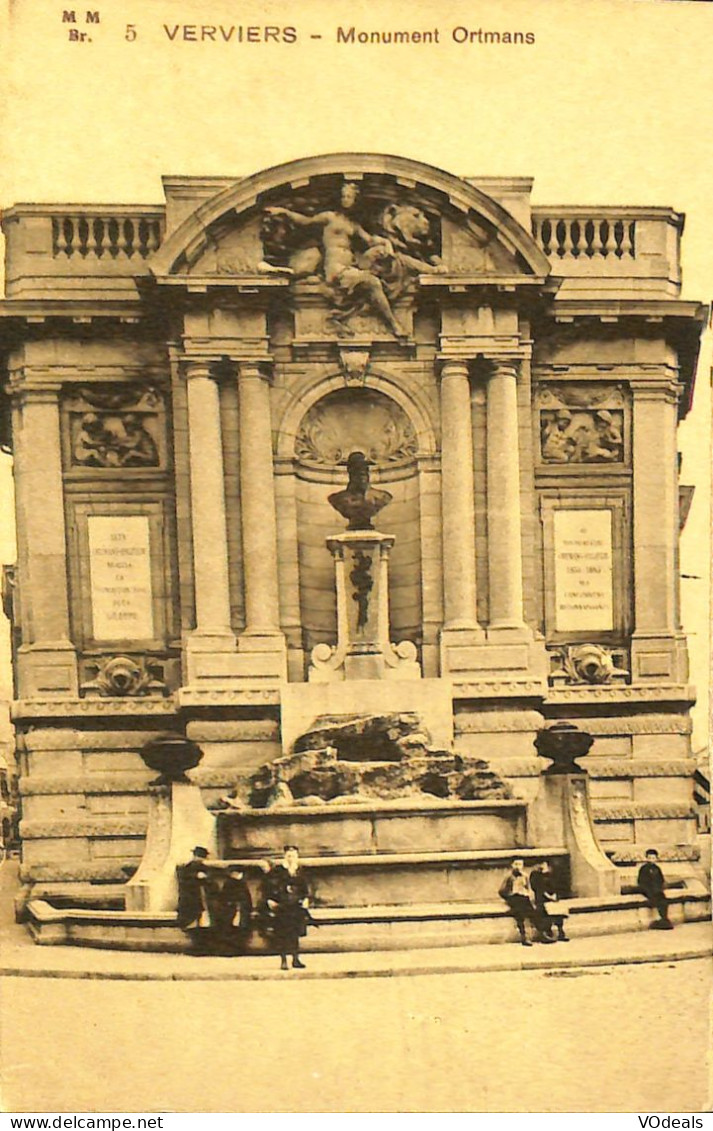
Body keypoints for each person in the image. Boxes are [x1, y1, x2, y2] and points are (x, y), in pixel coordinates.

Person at [264, 182, 409, 337]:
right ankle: (394, 324)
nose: (346, 199)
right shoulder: (329, 217)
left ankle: (339, 319)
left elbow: (371, 240)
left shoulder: (353, 226)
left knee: (375, 276)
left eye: (350, 197)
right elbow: (305, 221)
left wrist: (386, 243)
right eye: (344, 196)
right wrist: (284, 211)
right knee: (373, 282)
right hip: (336, 268)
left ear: (356, 200)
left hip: (349, 268)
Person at [262, 845, 312, 969]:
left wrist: (306, 899)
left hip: (296, 907)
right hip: (282, 907)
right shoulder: (278, 871)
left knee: (295, 934)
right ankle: (283, 960)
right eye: (289, 856)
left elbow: (305, 888)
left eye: (294, 856)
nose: (291, 858)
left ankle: (296, 959)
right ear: (284, 856)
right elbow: (268, 886)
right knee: (282, 934)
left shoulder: (299, 871)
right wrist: (270, 900)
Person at [498, 858, 549, 946]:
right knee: (520, 913)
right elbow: (501, 891)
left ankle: (542, 933)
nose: (518, 867)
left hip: (524, 898)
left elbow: (529, 888)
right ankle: (524, 936)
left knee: (533, 911)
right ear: (512, 865)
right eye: (516, 864)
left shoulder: (525, 876)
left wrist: (528, 894)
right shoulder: (509, 876)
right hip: (514, 898)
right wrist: (509, 895)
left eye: (520, 864)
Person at [530, 860, 570, 942]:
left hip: (552, 897)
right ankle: (544, 933)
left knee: (559, 910)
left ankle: (560, 931)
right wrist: (548, 896)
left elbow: (557, 886)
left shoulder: (552, 875)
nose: (543, 866)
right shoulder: (536, 875)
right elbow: (537, 888)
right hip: (542, 898)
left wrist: (555, 895)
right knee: (543, 911)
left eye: (544, 864)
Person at [637, 848, 673, 929]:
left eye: (653, 858)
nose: (651, 860)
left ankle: (664, 918)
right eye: (649, 858)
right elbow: (641, 881)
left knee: (663, 900)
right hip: (648, 890)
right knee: (658, 899)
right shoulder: (644, 869)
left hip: (657, 890)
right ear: (646, 858)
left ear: (656, 859)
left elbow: (661, 880)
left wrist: (660, 888)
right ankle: (663, 919)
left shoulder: (657, 868)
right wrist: (647, 890)